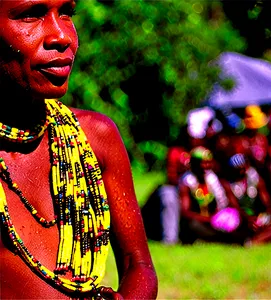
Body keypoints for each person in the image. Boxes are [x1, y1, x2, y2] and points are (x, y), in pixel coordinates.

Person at [0, 1, 157, 299]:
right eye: (31, 14)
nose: (62, 36)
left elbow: (138, 264)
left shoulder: (96, 138)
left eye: (66, 13)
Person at [178, 146, 241, 244]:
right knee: (193, 225)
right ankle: (220, 238)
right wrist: (207, 220)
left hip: (213, 220)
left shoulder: (212, 179)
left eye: (208, 162)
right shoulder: (186, 182)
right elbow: (185, 212)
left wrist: (218, 217)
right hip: (199, 221)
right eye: (203, 163)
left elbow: (222, 202)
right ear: (194, 164)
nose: (206, 166)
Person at [225, 153, 271, 246]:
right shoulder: (228, 184)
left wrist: (266, 215)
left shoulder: (253, 177)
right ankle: (257, 240)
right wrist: (248, 219)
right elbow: (235, 207)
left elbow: (266, 199)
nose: (242, 171)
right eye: (239, 169)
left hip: (255, 217)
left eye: (244, 168)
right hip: (241, 220)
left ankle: (254, 241)